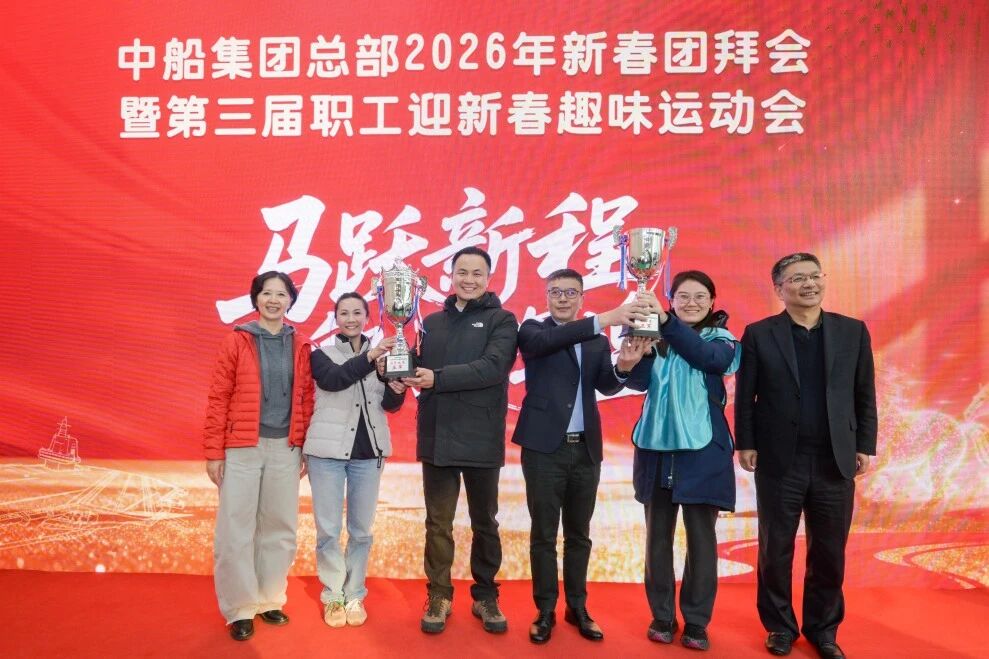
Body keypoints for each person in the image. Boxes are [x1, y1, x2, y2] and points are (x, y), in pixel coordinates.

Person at [734, 253, 877, 659]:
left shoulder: (852, 331)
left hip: (835, 459)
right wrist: (746, 442)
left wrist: (865, 444)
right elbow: (746, 395)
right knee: (775, 549)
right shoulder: (759, 334)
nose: (809, 284)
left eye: (814, 276)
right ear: (779, 289)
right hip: (780, 460)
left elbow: (864, 393)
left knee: (829, 551)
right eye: (797, 279)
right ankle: (780, 628)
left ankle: (823, 630)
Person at [512, 268, 653, 644]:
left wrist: (624, 367)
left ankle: (577, 607)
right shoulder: (533, 330)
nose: (563, 298)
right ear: (546, 296)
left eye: (570, 292)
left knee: (579, 534)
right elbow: (548, 343)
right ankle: (545, 610)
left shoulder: (595, 340)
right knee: (544, 534)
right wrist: (607, 318)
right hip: (544, 449)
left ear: (581, 297)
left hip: (586, 449)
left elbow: (605, 385)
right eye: (556, 292)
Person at [403, 246, 519, 635]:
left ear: (488, 278)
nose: (468, 280)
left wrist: (437, 378)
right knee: (438, 524)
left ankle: (486, 595)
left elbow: (492, 368)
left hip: (481, 437)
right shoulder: (431, 322)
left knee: (485, 522)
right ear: (450, 276)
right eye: (462, 272)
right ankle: (439, 594)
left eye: (476, 273)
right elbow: (414, 366)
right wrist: (395, 368)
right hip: (437, 435)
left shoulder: (503, 320)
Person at [624, 271, 742, 652]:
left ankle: (696, 621)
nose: (691, 303)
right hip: (656, 450)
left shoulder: (721, 339)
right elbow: (638, 381)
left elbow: (708, 359)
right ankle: (661, 615)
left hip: (704, 452)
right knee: (656, 539)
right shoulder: (653, 331)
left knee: (701, 541)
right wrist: (627, 362)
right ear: (671, 300)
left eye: (699, 296)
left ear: (712, 301)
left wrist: (666, 322)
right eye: (682, 297)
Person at [203, 271, 314, 641]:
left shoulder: (301, 344)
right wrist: (214, 452)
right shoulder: (237, 341)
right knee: (235, 529)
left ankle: (269, 598)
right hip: (242, 448)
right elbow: (219, 397)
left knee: (280, 527)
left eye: (281, 294)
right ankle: (240, 607)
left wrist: (303, 445)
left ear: (290, 301)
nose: (273, 300)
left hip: (286, 448)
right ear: (256, 299)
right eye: (267, 293)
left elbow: (306, 398)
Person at [304, 292, 408, 628]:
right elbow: (334, 380)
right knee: (328, 530)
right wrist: (372, 356)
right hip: (326, 455)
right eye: (344, 313)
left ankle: (354, 594)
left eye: (357, 313)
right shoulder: (321, 355)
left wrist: (397, 388)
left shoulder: (384, 357)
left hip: (369, 455)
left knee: (361, 531)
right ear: (336, 318)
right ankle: (333, 594)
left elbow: (390, 406)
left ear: (367, 317)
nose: (351, 319)